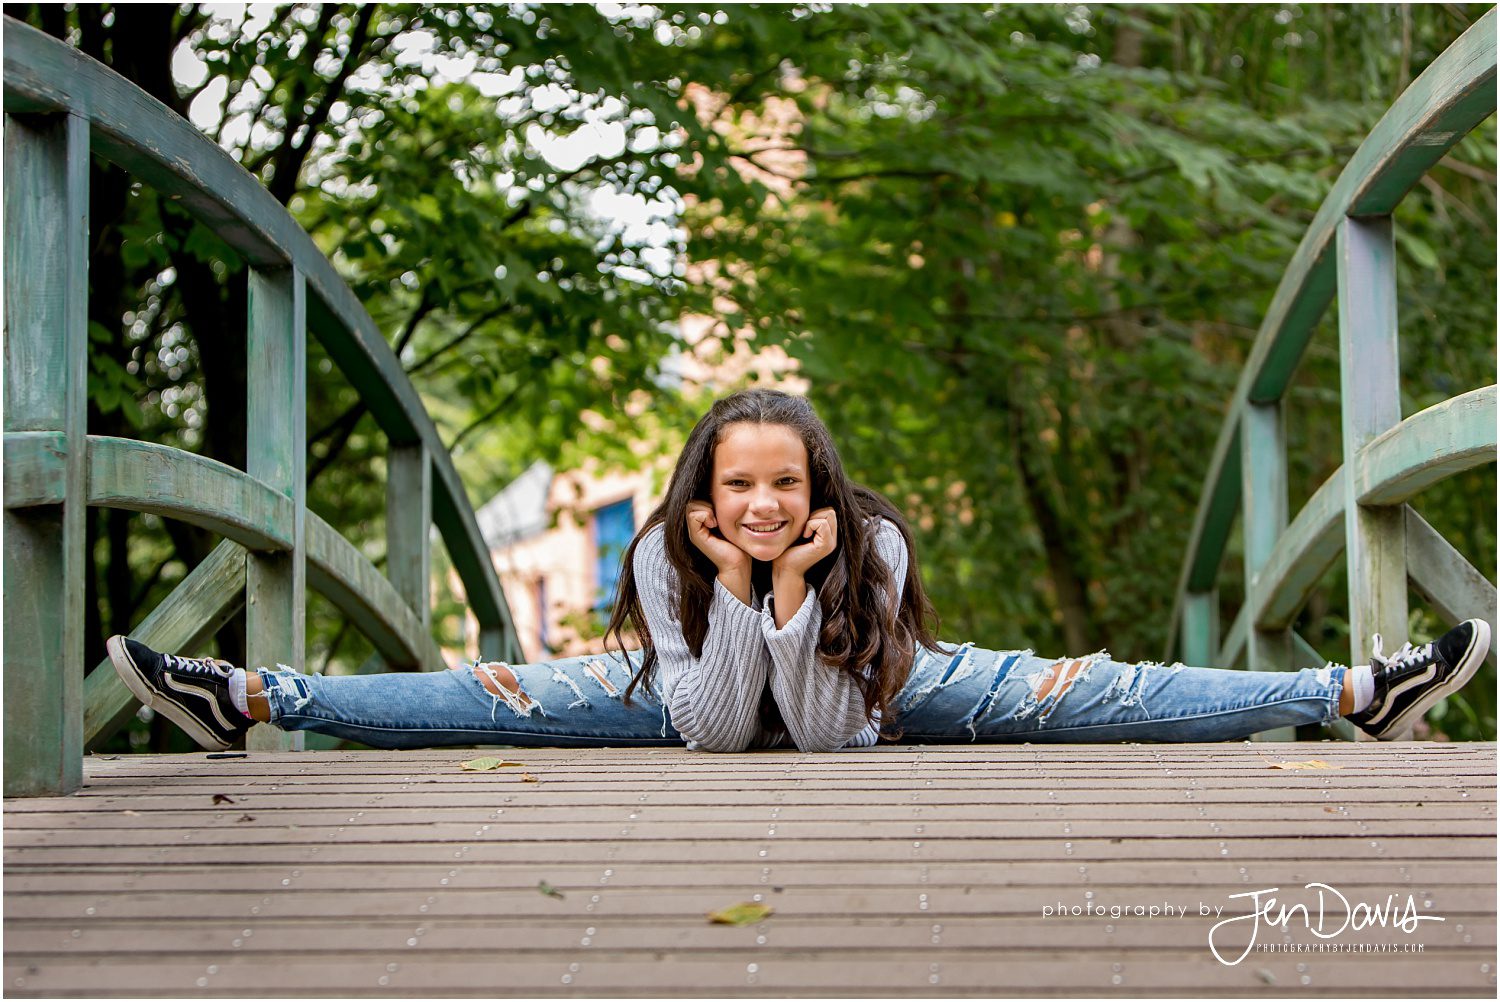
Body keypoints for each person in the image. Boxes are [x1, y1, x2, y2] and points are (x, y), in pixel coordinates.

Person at [107, 389, 1490, 754]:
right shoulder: (660, 552)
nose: (761, 501)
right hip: (676, 685)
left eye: (782, 482)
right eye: (737, 485)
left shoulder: (870, 543)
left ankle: (1347, 690)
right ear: (703, 493)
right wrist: (733, 598)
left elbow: (830, 740)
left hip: (883, 687)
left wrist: (793, 598)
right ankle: (250, 693)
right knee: (488, 692)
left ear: (814, 485)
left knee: (1093, 688)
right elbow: (713, 730)